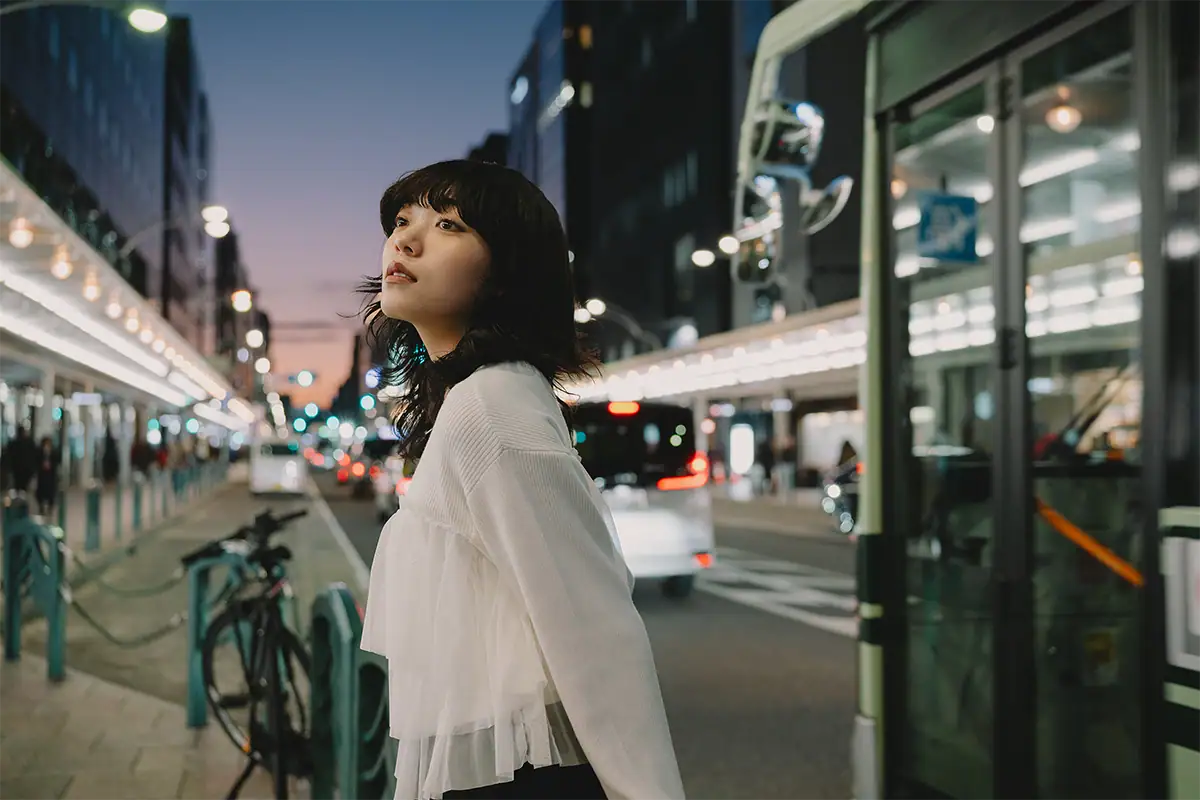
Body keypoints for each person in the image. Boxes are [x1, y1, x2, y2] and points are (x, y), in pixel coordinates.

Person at [357, 160, 685, 800]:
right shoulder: (478, 398)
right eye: (402, 221)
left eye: (448, 224)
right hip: (505, 762)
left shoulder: (491, 408)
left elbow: (592, 624)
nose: (405, 240)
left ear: (507, 273)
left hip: (525, 777)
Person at [34, 435, 59, 517]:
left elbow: (57, 461)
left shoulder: (54, 452)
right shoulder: (40, 452)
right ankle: (41, 507)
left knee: (51, 493)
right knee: (41, 492)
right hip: (42, 475)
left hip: (51, 476)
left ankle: (50, 508)